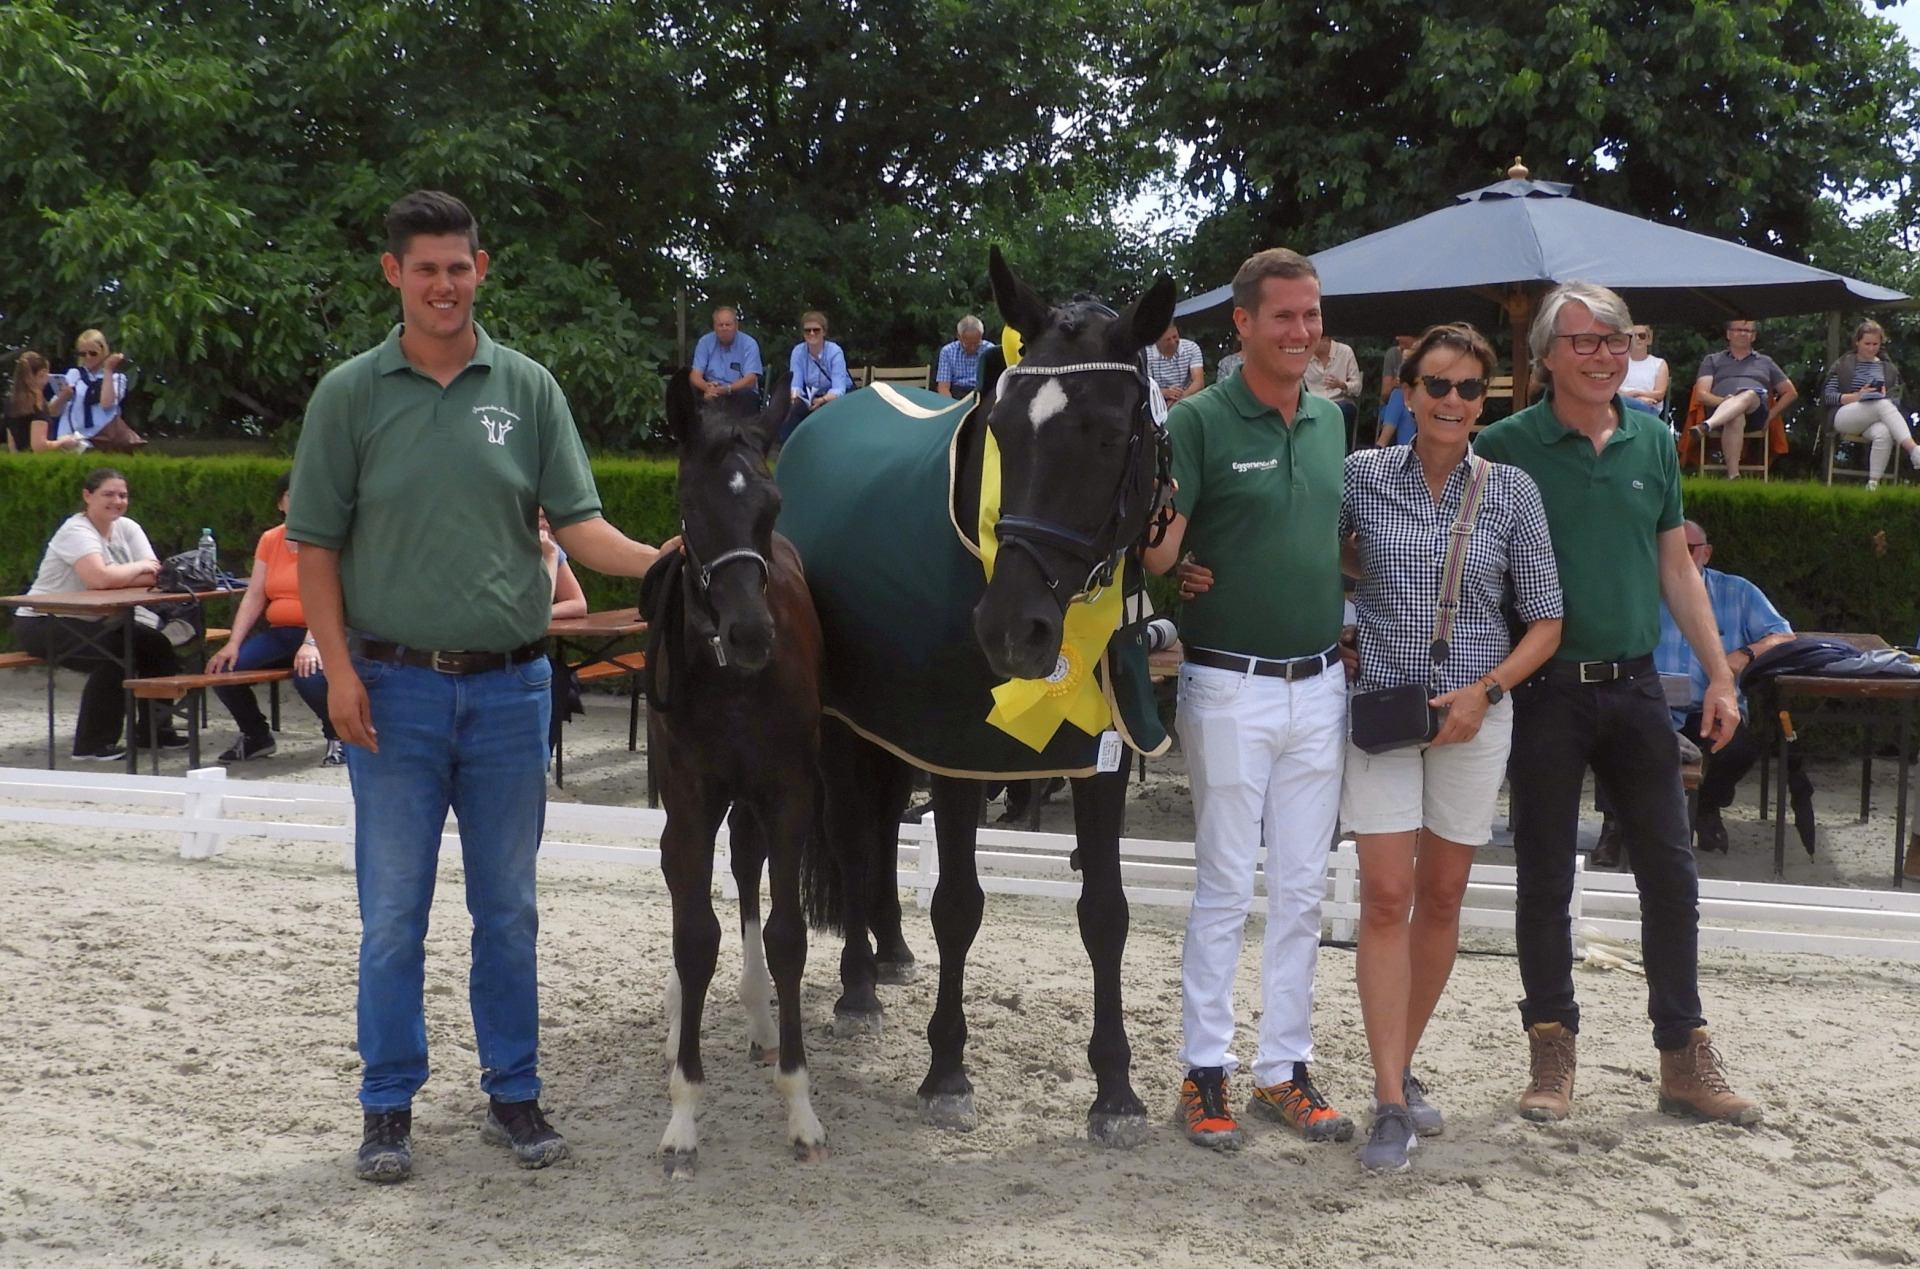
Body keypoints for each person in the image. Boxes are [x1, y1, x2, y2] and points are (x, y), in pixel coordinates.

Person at [288, 190, 671, 1185]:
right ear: (394, 273)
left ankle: (514, 1092)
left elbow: (580, 527)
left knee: (509, 912)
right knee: (393, 916)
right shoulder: (348, 395)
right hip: (391, 691)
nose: (443, 285)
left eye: (458, 267)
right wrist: (336, 670)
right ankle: (387, 1105)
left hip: (511, 693)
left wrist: (666, 559)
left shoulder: (530, 389)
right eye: (425, 268)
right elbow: (314, 548)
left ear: (481, 269)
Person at [1473, 280, 1760, 1128]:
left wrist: (1719, 675)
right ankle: (1551, 1047)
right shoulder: (1503, 445)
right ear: (1546, 356)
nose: (1604, 355)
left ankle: (1683, 1054)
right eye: (1585, 341)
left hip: (1636, 687)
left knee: (1671, 874)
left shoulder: (1653, 440)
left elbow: (1677, 567)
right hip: (1544, 691)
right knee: (1544, 877)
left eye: (1616, 340)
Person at [1338, 324, 1563, 1172]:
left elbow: (1546, 619)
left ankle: (1398, 1063)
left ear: (1484, 401)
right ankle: (1390, 1100)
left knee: (1441, 896)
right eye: (1437, 384)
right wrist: (1331, 628)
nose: (1453, 401)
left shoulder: (1512, 491)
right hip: (1384, 709)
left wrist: (1486, 691)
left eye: (1470, 388)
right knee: (1385, 894)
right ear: (1406, 390)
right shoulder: (1360, 475)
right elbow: (1305, 549)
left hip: (1474, 714)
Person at [1142, 248, 1352, 1152]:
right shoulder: (1198, 420)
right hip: (1229, 683)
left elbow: (1330, 539)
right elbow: (1157, 551)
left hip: (1323, 685)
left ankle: (1284, 1068)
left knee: (1303, 890)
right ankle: (1204, 1069)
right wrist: (1170, 563)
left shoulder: (1332, 419)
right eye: (1284, 316)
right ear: (1243, 323)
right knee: (1226, 885)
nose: (1302, 331)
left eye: (1312, 315)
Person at [11, 467, 183, 759]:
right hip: (44, 620)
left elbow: (157, 576)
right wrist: (137, 568)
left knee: (157, 645)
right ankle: (91, 745)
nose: (117, 501)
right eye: (108, 494)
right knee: (115, 656)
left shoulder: (127, 527)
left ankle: (155, 732)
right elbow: (99, 579)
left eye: (123, 495)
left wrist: (122, 574)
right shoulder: (75, 531)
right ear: (87, 496)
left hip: (97, 620)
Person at [205, 472, 339, 766]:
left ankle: (339, 736)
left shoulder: (328, 539)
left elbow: (332, 597)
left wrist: (311, 642)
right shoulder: (270, 539)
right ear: (280, 503)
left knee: (310, 676)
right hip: (281, 633)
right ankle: (256, 736)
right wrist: (233, 643)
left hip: (323, 632)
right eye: (292, 495)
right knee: (223, 671)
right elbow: (254, 595)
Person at [1690, 319, 1796, 480]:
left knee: (1750, 393)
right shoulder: (1712, 360)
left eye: (1747, 331)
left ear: (1754, 336)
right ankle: (1734, 476)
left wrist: (1770, 416)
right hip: (1720, 413)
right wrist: (1724, 402)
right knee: (1736, 416)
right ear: (1728, 334)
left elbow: (1790, 392)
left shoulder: (1765, 362)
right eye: (1738, 330)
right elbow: (1701, 395)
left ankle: (1706, 426)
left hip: (1755, 414)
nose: (1743, 333)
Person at [1822, 319, 1917, 489]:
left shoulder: (1888, 369)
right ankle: (1913, 450)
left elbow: (1897, 400)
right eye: (1867, 344)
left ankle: (1872, 485)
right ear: (1857, 342)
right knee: (1882, 405)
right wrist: (1857, 396)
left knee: (1884, 431)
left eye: (1875, 344)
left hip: (1877, 415)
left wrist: (1885, 396)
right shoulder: (1843, 365)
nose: (1871, 348)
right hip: (1845, 415)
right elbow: (1828, 396)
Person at [782, 310, 851, 443]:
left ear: (824, 332)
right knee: (790, 412)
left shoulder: (835, 351)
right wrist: (794, 397)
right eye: (807, 330)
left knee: (829, 410)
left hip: (833, 396)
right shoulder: (798, 351)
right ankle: (790, 448)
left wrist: (823, 400)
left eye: (816, 330)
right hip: (811, 396)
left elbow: (839, 389)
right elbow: (796, 383)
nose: (812, 333)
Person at [56, 330, 132, 446]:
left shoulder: (116, 377)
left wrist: (108, 370)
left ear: (103, 352)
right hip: (70, 438)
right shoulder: (73, 374)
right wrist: (62, 397)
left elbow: (107, 404)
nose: (88, 357)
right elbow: (52, 411)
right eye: (83, 354)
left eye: (93, 353)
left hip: (102, 437)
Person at [688, 306, 762, 409]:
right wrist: (707, 388)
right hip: (711, 393)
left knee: (745, 394)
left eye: (728, 325)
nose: (724, 328)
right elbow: (695, 375)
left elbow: (750, 380)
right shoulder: (705, 342)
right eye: (720, 325)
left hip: (738, 393)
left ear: (736, 326)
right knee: (687, 389)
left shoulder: (749, 344)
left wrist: (726, 389)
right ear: (714, 327)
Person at [6, 352, 79, 452]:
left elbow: (12, 445)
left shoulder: (11, 404)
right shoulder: (38, 404)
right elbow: (39, 446)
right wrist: (62, 442)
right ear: (43, 373)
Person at [1303, 335, 1363, 432]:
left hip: (1341, 401)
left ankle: (1327, 441)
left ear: (1326, 339)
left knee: (1330, 413)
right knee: (1303, 413)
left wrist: (1341, 385)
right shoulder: (1305, 354)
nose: (1309, 345)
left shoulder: (1345, 352)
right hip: (1314, 403)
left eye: (1313, 342)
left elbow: (1357, 388)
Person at [1144, 322, 1205, 405]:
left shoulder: (1191, 348)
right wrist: (1164, 392)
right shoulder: (1146, 354)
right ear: (1157, 340)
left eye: (1175, 337)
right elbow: (1146, 387)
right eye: (1168, 340)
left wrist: (1179, 401)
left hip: (1188, 399)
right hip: (1157, 402)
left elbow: (1199, 382)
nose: (1173, 342)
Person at [934, 315, 996, 397]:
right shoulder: (948, 351)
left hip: (983, 394)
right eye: (968, 344)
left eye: (976, 343)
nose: (972, 348)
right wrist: (949, 403)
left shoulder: (989, 349)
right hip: (957, 394)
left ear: (981, 336)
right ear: (959, 337)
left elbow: (995, 383)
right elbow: (943, 387)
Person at [1620, 324, 1668, 416]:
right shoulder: (1620, 361)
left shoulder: (1659, 363)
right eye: (1633, 336)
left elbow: (1660, 394)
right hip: (1621, 406)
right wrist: (1635, 397)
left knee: (1640, 405)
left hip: (1647, 408)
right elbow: (1613, 390)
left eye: (1642, 336)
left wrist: (1636, 394)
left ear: (1648, 339)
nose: (1637, 339)